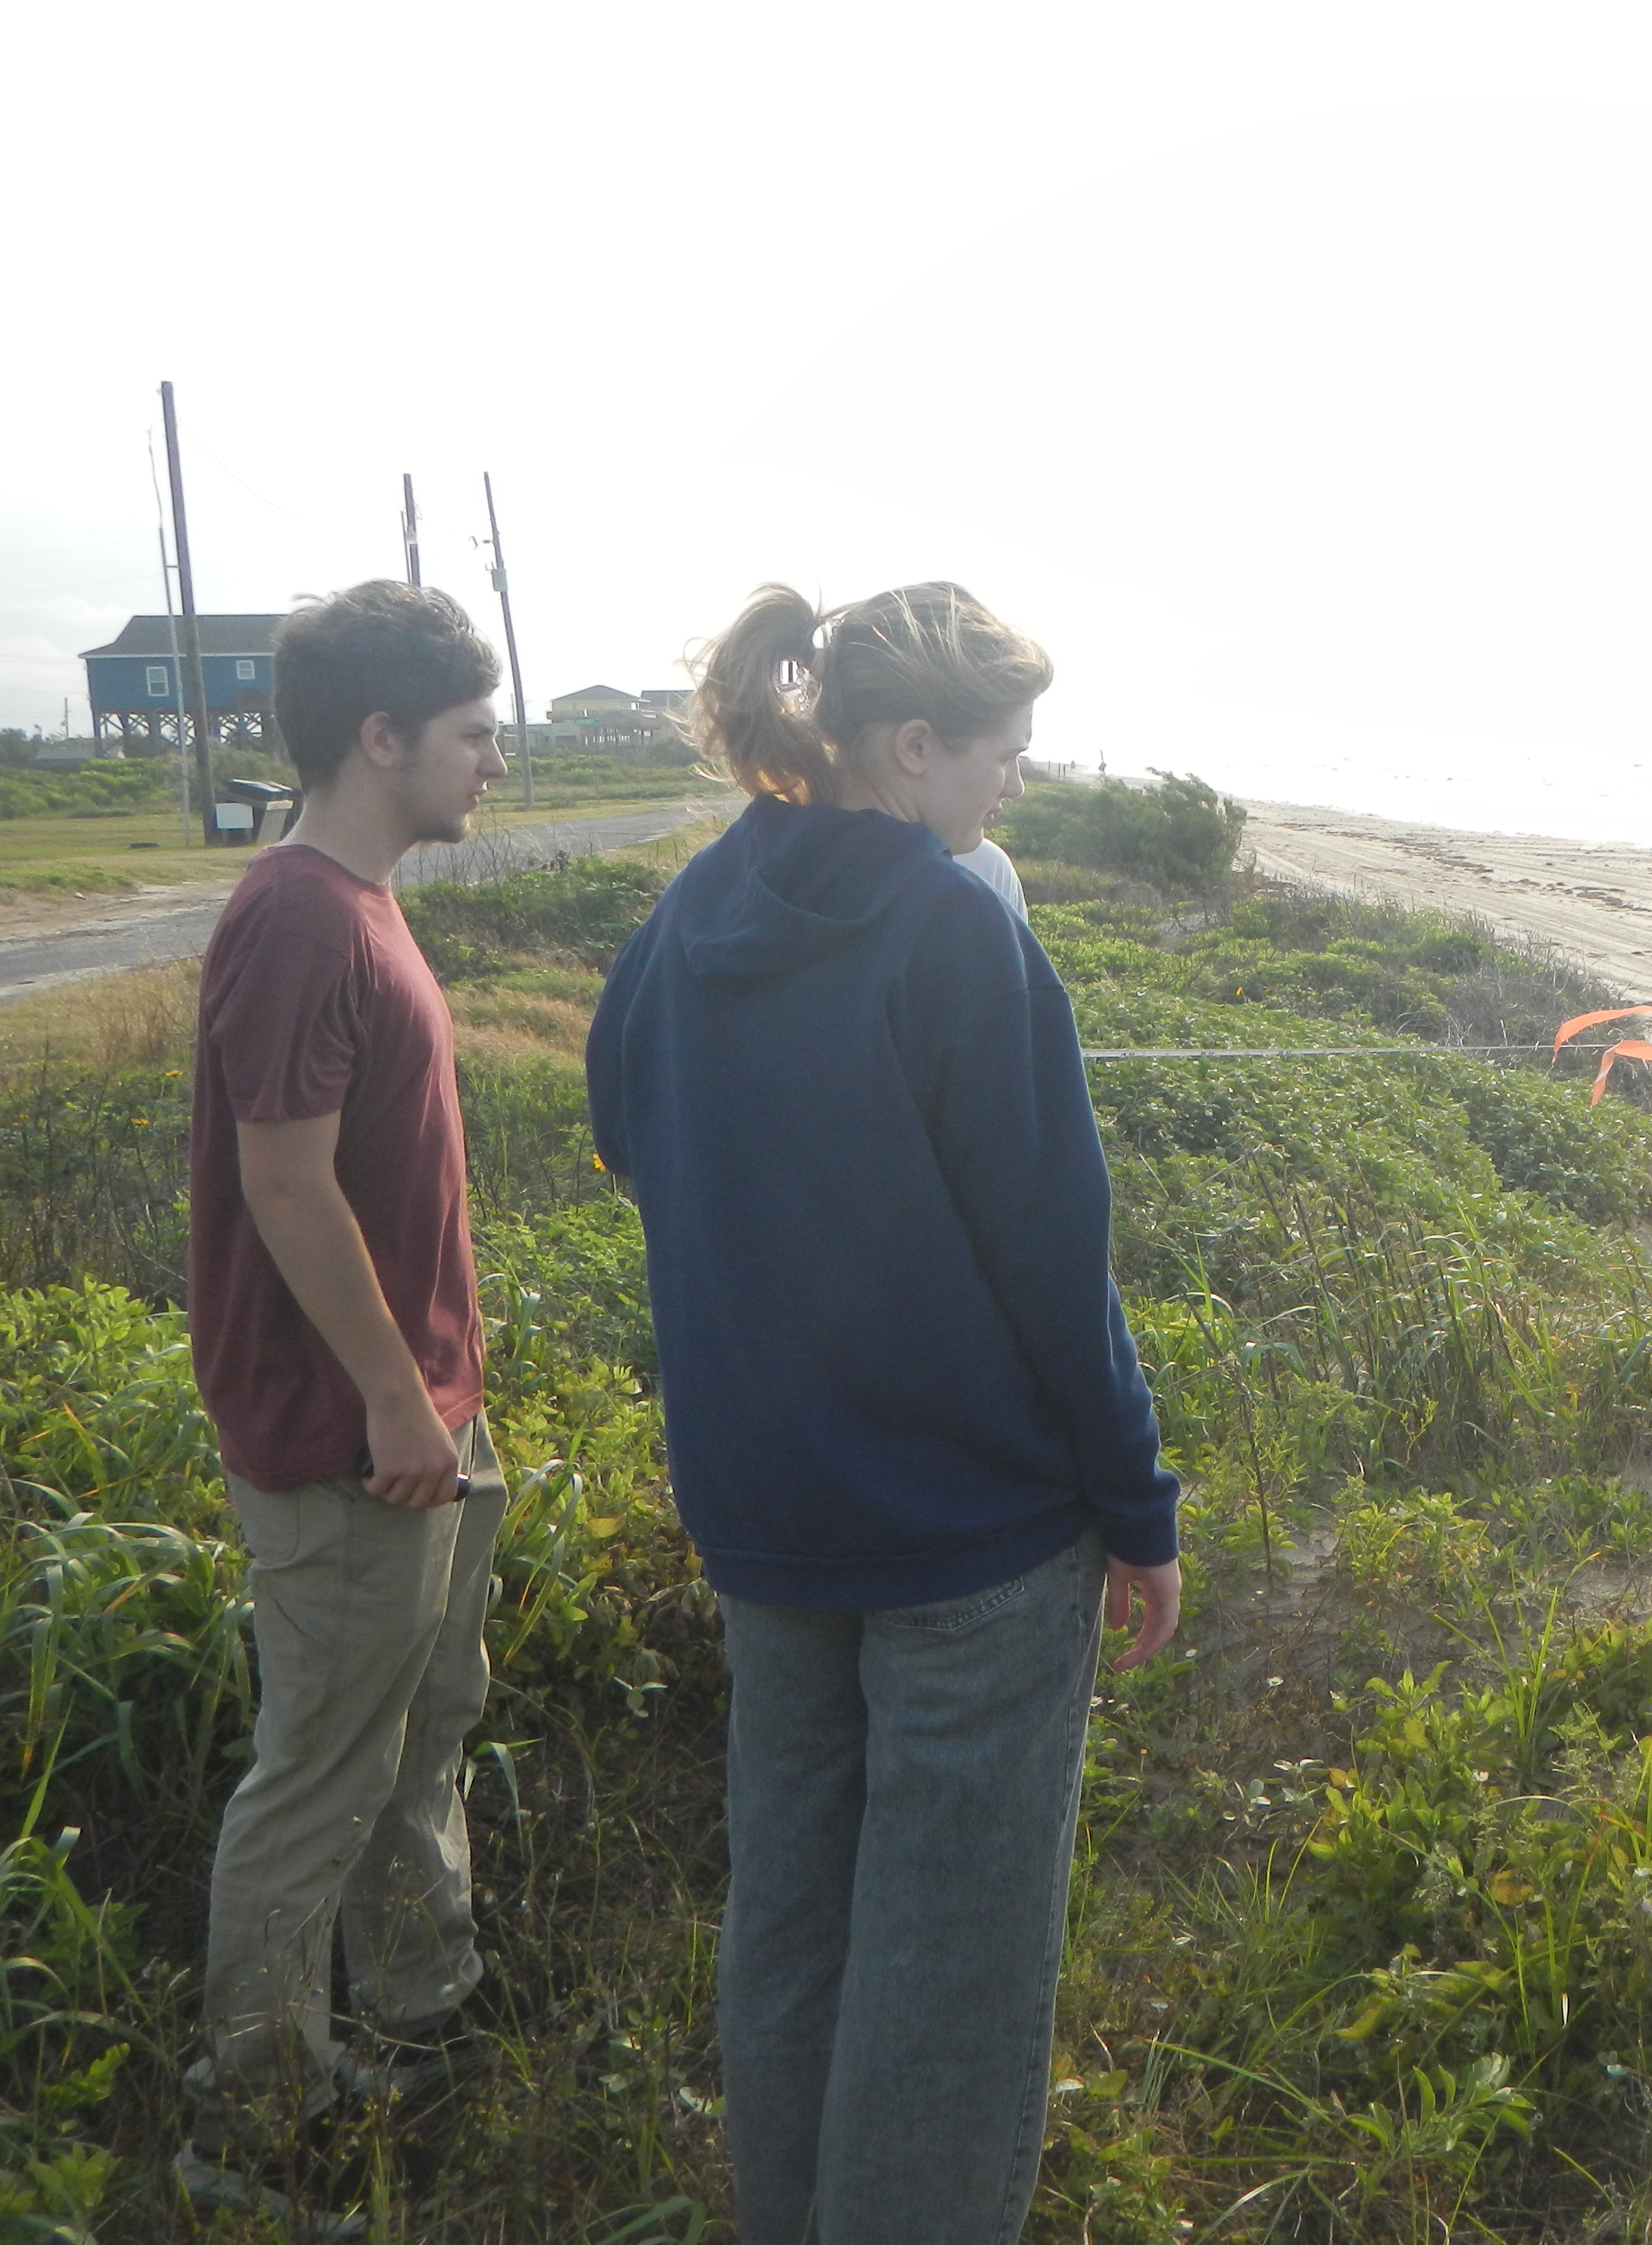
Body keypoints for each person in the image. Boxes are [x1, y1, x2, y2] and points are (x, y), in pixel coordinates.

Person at [585, 583, 1181, 2244]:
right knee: (950, 1963)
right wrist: (1140, 1510)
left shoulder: (700, 897)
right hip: (968, 1541)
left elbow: (622, 1123)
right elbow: (1059, 1264)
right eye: (1005, 756)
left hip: (766, 1517)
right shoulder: (949, 921)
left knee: (795, 1920)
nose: (1016, 788)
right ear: (913, 747)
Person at [179, 582, 514, 2217]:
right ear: (380, 737)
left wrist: (445, 1394)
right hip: (350, 1441)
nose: (493, 760)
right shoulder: (301, 915)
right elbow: (286, 1186)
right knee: (320, 1767)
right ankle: (248, 2118)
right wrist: (395, 1401)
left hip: (423, 1421)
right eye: (469, 732)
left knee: (419, 1730)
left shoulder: (363, 903)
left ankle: (393, 2016)